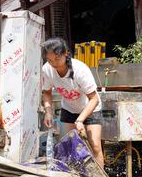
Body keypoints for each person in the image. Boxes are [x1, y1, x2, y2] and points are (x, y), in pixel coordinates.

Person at [41, 37, 104, 168]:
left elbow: (94, 99)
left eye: (57, 59)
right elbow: (46, 92)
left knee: (95, 146)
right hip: (68, 109)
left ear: (66, 54)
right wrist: (48, 112)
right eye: (50, 60)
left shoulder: (80, 70)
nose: (54, 64)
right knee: (66, 146)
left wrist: (80, 120)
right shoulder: (47, 69)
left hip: (90, 108)